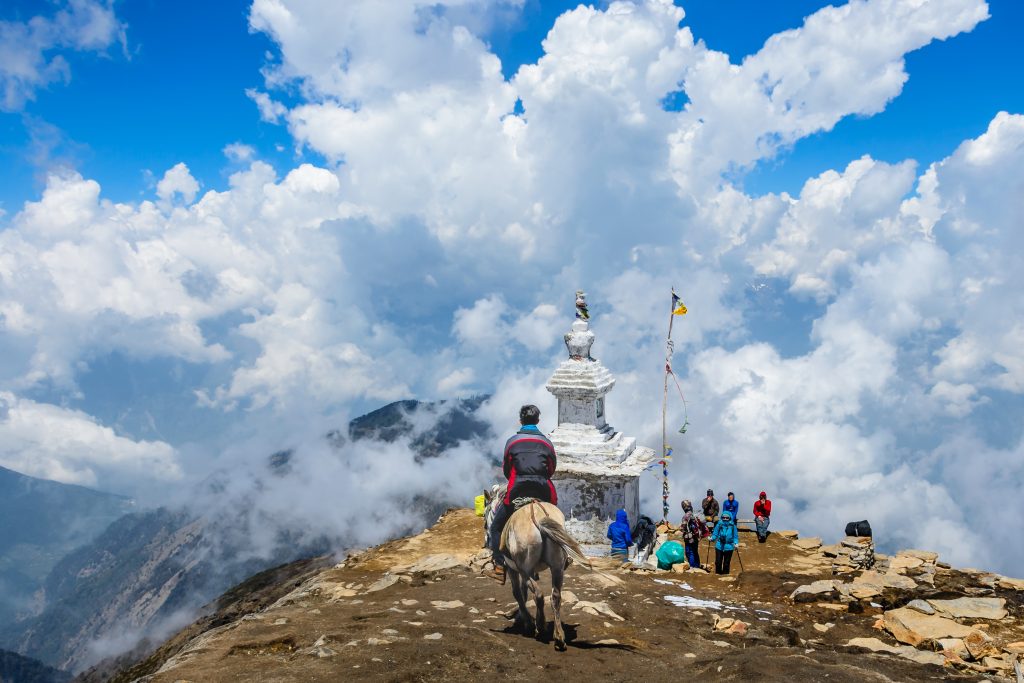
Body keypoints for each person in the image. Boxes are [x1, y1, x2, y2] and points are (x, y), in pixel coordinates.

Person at [488, 404, 557, 583]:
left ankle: (499, 564)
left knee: (495, 527)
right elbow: (551, 468)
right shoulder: (547, 443)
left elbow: (507, 469)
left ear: (520, 421)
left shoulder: (512, 442)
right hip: (543, 488)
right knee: (555, 518)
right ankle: (563, 551)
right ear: (538, 421)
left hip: (517, 489)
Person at [680, 499, 705, 568]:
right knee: (695, 551)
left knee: (689, 552)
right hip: (696, 536)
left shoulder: (686, 515)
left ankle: (692, 567)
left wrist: (682, 531)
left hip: (689, 537)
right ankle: (697, 566)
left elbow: (683, 527)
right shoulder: (694, 513)